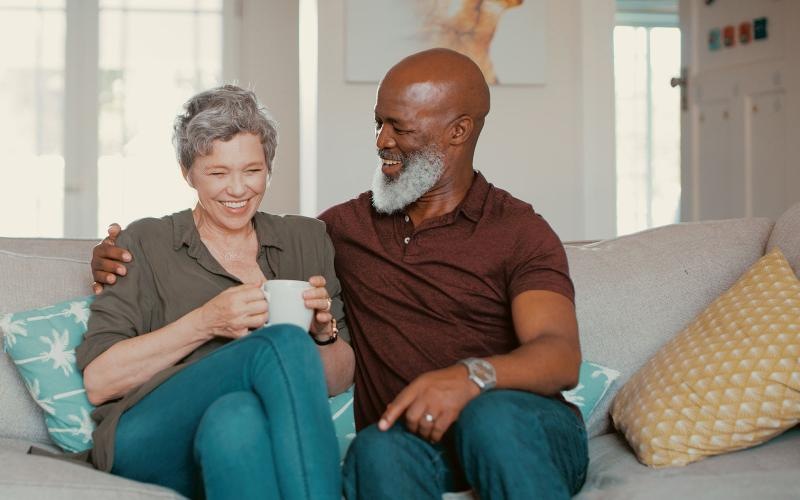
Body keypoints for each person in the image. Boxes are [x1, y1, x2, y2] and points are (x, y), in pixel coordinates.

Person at [93, 49, 588, 499]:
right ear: (189, 173)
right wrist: (108, 257)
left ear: (457, 131)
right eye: (378, 124)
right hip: (409, 436)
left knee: (491, 417)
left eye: (399, 128)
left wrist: (471, 377)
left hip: (513, 424)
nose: (381, 141)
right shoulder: (343, 229)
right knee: (374, 448)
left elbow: (560, 354)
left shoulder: (518, 229)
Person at [80, 85, 354, 500]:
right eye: (218, 173)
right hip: (148, 437)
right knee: (279, 342)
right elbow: (100, 382)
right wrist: (206, 322)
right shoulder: (145, 242)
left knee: (236, 419)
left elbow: (338, 379)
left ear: (269, 167)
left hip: (236, 432)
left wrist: (323, 334)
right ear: (187, 172)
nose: (238, 189)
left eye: (252, 170)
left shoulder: (306, 239)